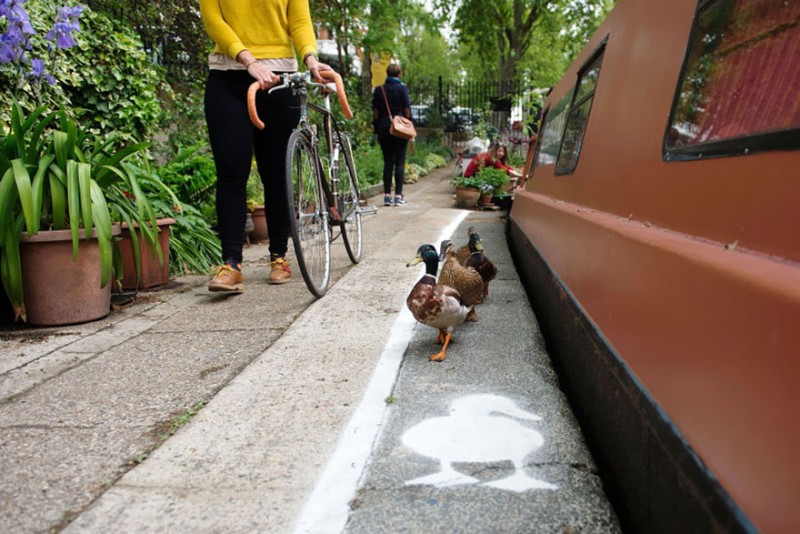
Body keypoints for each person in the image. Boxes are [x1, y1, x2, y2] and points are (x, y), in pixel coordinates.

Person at [200, 0, 331, 293]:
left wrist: (310, 58)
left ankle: (279, 256)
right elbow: (214, 20)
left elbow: (299, 22)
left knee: (276, 174)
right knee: (231, 171)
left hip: (280, 79)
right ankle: (231, 264)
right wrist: (249, 60)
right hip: (228, 78)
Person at [372, 64, 412, 207]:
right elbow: (407, 110)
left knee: (388, 162)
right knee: (400, 162)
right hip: (400, 130)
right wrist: (409, 125)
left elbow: (375, 112)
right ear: (399, 74)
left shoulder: (379, 90)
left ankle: (387, 196)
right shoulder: (402, 89)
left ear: (387, 73)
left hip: (384, 129)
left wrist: (376, 128)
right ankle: (398, 196)